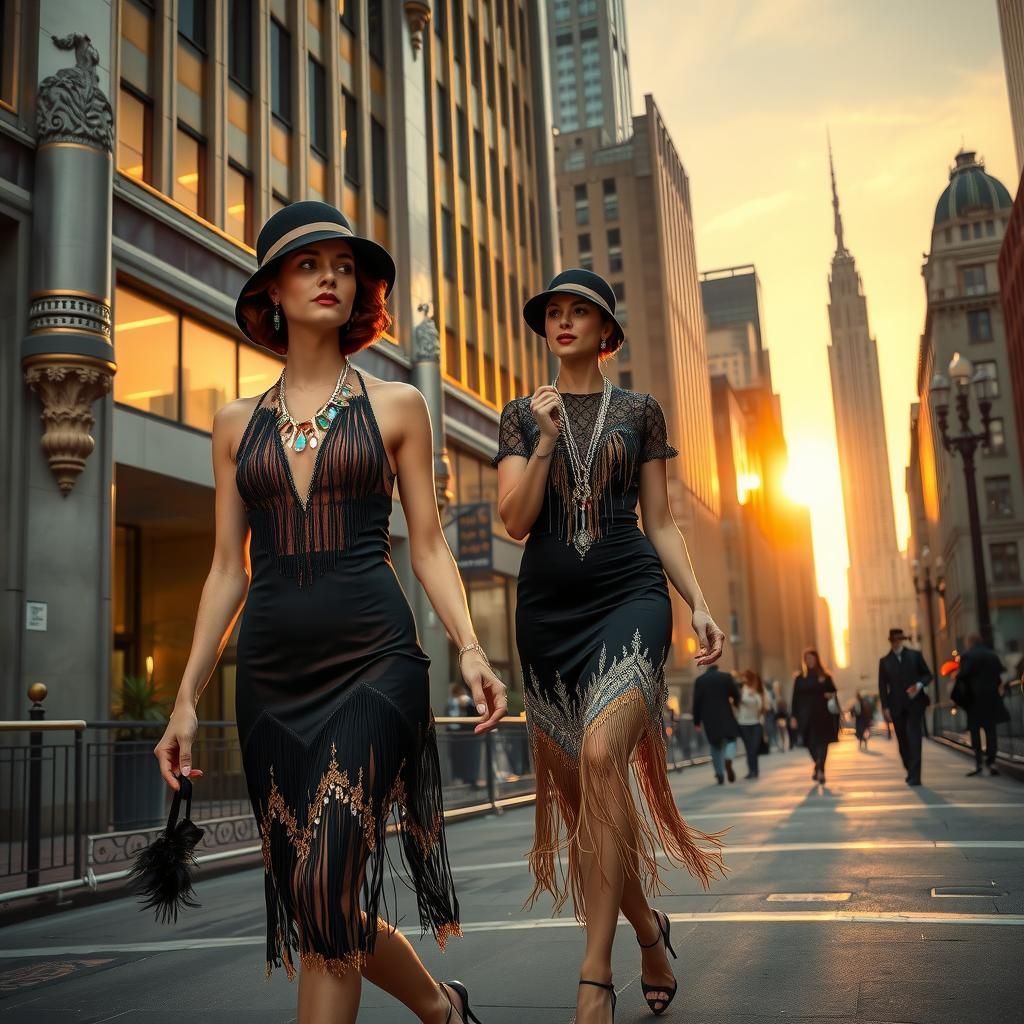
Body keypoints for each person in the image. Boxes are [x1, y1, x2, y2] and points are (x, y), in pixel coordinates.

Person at [152, 202, 506, 1024]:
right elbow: (223, 571)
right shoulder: (233, 426)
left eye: (343, 266)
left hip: (375, 664)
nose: (330, 278)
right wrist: (185, 696)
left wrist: (472, 649)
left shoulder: (398, 407)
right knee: (319, 905)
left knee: (323, 880)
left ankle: (438, 1004)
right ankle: (440, 1007)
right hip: (271, 681)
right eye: (309, 265)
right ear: (273, 289)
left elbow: (428, 547)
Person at [493, 268, 726, 1023]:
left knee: (601, 760)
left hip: (630, 597)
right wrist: (544, 439)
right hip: (548, 615)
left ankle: (595, 973)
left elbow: (660, 521)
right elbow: (513, 522)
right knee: (581, 795)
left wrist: (698, 603)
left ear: (606, 330)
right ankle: (648, 932)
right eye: (553, 312)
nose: (562, 321)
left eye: (578, 312)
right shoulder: (522, 414)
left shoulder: (642, 411)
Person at [878, 627, 932, 787]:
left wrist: (919, 685)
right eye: (893, 640)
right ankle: (910, 769)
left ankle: (916, 776)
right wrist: (885, 707)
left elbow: (928, 675)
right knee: (902, 741)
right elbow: (882, 686)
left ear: (902, 640)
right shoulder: (884, 661)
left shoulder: (915, 656)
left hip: (915, 704)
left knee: (914, 738)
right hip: (896, 706)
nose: (896, 643)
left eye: (899, 640)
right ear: (891, 641)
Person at [956, 632, 1009, 777]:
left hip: (974, 700)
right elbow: (999, 676)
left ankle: (978, 763)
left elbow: (963, 675)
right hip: (991, 698)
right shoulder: (992, 655)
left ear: (969, 643)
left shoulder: (967, 656)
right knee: (990, 731)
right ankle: (991, 761)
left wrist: (957, 676)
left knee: (975, 731)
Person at [791, 649, 839, 785]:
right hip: (805, 717)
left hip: (823, 715)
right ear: (804, 661)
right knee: (809, 744)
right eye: (807, 659)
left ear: (817, 660)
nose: (810, 661)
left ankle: (821, 771)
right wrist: (793, 716)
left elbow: (833, 691)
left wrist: (829, 693)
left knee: (823, 743)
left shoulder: (825, 676)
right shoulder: (799, 678)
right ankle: (818, 765)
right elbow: (794, 698)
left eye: (812, 658)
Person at [693, 665, 741, 784]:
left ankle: (719, 774)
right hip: (725, 714)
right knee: (731, 739)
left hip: (709, 719)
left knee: (715, 746)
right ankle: (728, 758)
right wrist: (736, 704)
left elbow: (696, 703)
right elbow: (736, 693)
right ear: (717, 668)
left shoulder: (700, 681)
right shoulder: (725, 677)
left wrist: (697, 721)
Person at [736, 670, 768, 779]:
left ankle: (755, 770)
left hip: (756, 723)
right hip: (743, 723)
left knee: (754, 747)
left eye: (746, 677)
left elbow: (761, 706)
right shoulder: (741, 690)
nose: (744, 680)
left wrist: (754, 696)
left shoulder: (759, 690)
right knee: (749, 748)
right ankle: (752, 771)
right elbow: (739, 701)